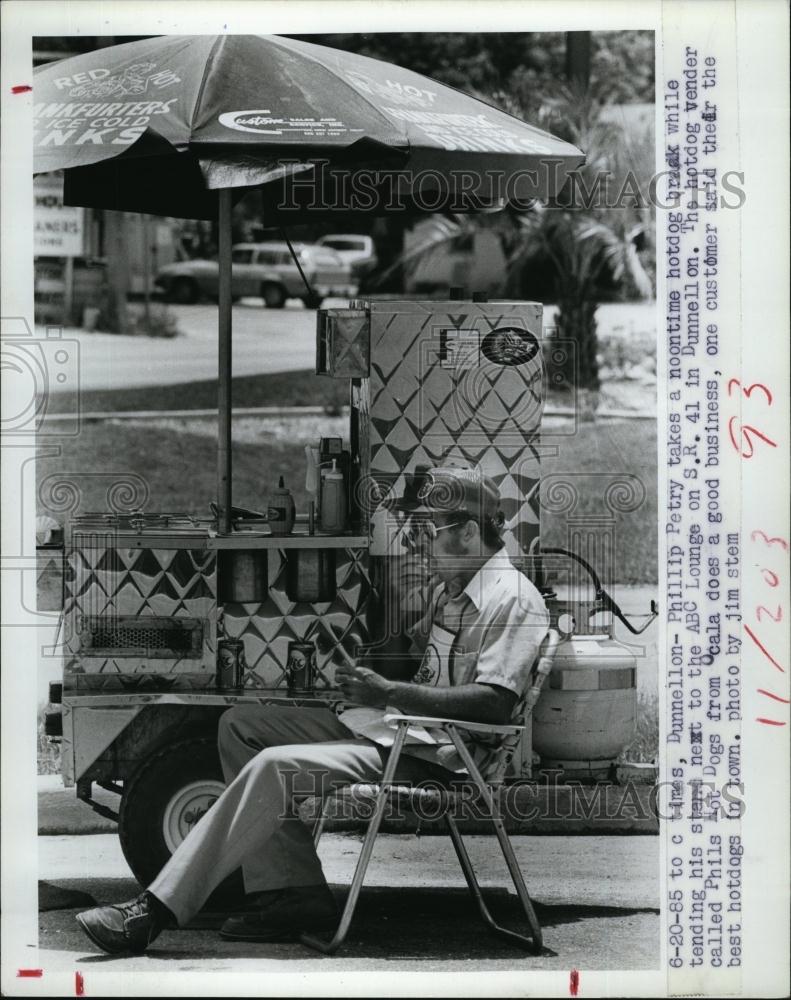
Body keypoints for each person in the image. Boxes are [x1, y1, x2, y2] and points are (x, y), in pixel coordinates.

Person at [75, 466, 549, 954]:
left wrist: (386, 693)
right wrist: (378, 622)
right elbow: (408, 661)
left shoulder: (510, 599)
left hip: (443, 756)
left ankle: (154, 912)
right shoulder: (454, 590)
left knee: (273, 765)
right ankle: (292, 891)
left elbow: (495, 705)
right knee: (242, 724)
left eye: (431, 531)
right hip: (404, 730)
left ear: (470, 531)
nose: (421, 543)